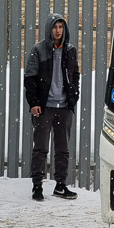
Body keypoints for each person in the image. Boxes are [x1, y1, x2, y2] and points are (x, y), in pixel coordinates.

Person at [24, 13, 80, 201]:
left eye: (61, 27)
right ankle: (37, 186)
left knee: (63, 149)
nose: (58, 31)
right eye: (55, 27)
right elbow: (30, 79)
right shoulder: (38, 50)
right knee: (40, 148)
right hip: (44, 107)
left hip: (64, 107)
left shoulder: (70, 50)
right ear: (49, 29)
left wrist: (73, 96)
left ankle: (60, 185)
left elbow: (75, 75)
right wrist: (34, 103)